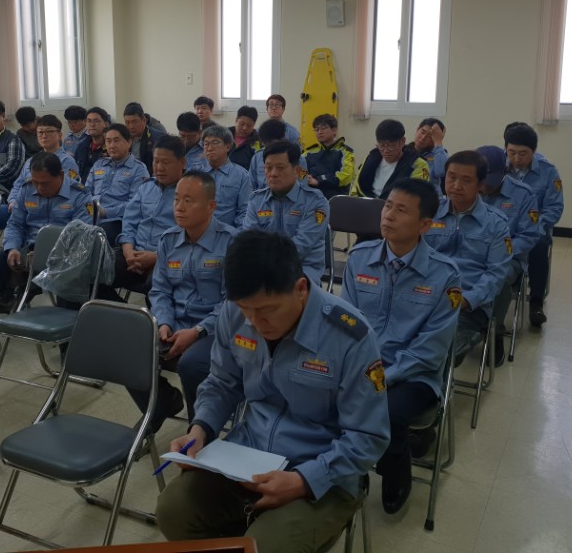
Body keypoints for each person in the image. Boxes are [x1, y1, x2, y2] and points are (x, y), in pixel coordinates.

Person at [155, 231, 389, 553]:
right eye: (246, 309)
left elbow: (368, 436)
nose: (255, 322)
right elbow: (222, 382)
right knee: (174, 510)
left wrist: (305, 480)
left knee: (264, 546)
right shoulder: (234, 312)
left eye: (267, 309)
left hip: (324, 470)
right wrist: (201, 429)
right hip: (248, 454)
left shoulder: (350, 336)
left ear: (301, 289)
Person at [340, 179, 460, 513]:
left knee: (386, 411)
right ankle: (342, 467)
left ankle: (396, 469)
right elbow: (345, 323)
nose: (388, 215)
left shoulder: (444, 275)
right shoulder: (360, 258)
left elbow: (431, 349)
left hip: (414, 376)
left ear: (424, 225)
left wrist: (381, 378)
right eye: (388, 206)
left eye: (401, 210)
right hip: (362, 366)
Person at [130, 170, 237, 430]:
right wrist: (164, 322)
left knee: (191, 364)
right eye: (177, 199)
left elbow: (233, 302)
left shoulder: (231, 243)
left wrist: (198, 331)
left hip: (215, 330)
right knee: (125, 347)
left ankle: (199, 430)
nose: (179, 207)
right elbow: (160, 291)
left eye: (189, 201)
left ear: (211, 206)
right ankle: (161, 404)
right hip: (175, 324)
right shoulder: (168, 240)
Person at [424, 150, 512, 366]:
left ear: (481, 184)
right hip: (424, 297)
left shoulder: (496, 223)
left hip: (468, 307)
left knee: (437, 354)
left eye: (466, 180)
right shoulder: (429, 213)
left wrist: (467, 300)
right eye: (451, 177)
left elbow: (496, 274)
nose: (456, 185)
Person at [0, 152, 91, 312]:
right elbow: (15, 224)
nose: (40, 188)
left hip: (62, 257)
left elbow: (81, 236)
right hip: (27, 250)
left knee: (72, 277)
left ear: (61, 175)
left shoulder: (79, 195)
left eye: (45, 183)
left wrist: (47, 255)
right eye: (35, 182)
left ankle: (66, 323)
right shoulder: (27, 189)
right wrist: (12, 248)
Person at [104, 136, 186, 299]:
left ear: (182, 163)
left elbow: (190, 237)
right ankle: (120, 314)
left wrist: (156, 257)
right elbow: (129, 223)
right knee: (94, 270)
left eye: (166, 162)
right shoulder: (146, 188)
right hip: (134, 253)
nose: (159, 168)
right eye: (156, 161)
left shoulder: (190, 193)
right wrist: (128, 253)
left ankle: (149, 317)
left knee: (158, 286)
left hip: (167, 258)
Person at [243, 141, 328, 282]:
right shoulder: (256, 200)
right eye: (268, 168)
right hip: (262, 268)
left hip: (302, 269)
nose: (273, 174)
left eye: (280, 168)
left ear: (296, 171)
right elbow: (249, 241)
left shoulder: (315, 201)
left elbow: (301, 246)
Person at [504, 123, 564, 323]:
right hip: (504, 227)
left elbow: (554, 208)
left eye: (523, 154)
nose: (516, 159)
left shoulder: (548, 171)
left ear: (534, 151)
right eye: (511, 153)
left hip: (535, 228)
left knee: (538, 245)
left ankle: (536, 302)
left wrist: (533, 228)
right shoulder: (496, 168)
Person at [478, 145, 540, 330]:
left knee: (499, 276)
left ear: (505, 171)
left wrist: (498, 253)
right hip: (472, 253)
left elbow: (528, 236)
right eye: (481, 181)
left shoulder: (524, 194)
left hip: (508, 259)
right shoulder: (467, 189)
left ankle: (493, 328)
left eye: (491, 181)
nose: (485, 187)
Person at [4, 114, 80, 225]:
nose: (44, 136)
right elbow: (18, 184)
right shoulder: (32, 161)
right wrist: (13, 201)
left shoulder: (67, 162)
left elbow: (69, 192)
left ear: (59, 135)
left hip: (51, 211)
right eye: (40, 132)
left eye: (49, 132)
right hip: (24, 207)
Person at [83, 123, 150, 242]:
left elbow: (135, 205)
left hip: (117, 221)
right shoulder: (99, 164)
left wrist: (105, 212)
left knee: (92, 236)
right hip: (90, 216)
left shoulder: (138, 169)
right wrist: (89, 209)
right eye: (108, 141)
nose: (112, 145)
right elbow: (85, 193)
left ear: (129, 142)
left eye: (116, 140)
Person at [351, 120, 430, 199]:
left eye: (391, 146)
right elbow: (356, 188)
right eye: (382, 145)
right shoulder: (371, 158)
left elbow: (416, 197)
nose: (386, 150)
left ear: (403, 141)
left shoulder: (417, 164)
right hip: (365, 203)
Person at [304, 114, 355, 199]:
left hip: (335, 198)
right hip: (311, 196)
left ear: (334, 130)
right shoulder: (309, 152)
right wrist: (305, 177)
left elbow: (346, 176)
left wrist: (319, 180)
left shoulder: (345, 152)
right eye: (316, 129)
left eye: (323, 128)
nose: (319, 132)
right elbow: (297, 168)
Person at [249, 120, 308, 190]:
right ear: (263, 143)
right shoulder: (257, 158)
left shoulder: (299, 159)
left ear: (282, 139)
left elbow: (303, 186)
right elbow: (251, 186)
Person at [123, 101, 165, 170]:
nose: (131, 126)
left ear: (144, 120)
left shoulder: (158, 139)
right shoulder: (123, 138)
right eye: (127, 122)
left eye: (135, 122)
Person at [412, 118, 449, 195]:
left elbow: (441, 172)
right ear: (417, 130)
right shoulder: (404, 151)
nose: (423, 137)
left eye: (429, 136)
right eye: (422, 132)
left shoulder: (439, 154)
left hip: (430, 197)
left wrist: (438, 143)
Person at [75, 106, 111, 180]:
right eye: (89, 121)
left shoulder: (112, 148)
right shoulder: (81, 147)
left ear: (106, 124)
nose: (92, 124)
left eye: (96, 121)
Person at [228, 105, 261, 170]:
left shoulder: (256, 141)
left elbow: (258, 163)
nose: (244, 128)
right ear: (236, 120)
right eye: (242, 124)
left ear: (254, 125)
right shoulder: (224, 136)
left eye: (249, 126)